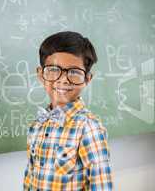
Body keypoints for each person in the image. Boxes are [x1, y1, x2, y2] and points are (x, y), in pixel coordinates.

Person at [23, 31, 113, 190]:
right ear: (40, 74)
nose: (63, 79)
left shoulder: (88, 128)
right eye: (53, 69)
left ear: (87, 79)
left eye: (74, 72)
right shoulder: (37, 125)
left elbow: (101, 187)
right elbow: (30, 178)